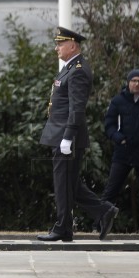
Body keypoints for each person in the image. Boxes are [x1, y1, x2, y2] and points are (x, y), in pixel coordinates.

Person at [37, 27, 118, 242]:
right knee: (70, 184)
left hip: (66, 136)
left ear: (72, 45)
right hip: (61, 134)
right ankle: (103, 211)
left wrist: (68, 136)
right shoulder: (70, 68)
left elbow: (77, 108)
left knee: (64, 183)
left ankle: (62, 228)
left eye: (60, 44)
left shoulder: (78, 70)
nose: (57, 48)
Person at [100, 69, 139, 233]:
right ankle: (99, 224)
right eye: (134, 81)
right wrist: (118, 138)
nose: (137, 84)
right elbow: (109, 124)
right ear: (128, 82)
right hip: (123, 151)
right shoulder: (118, 101)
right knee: (111, 189)